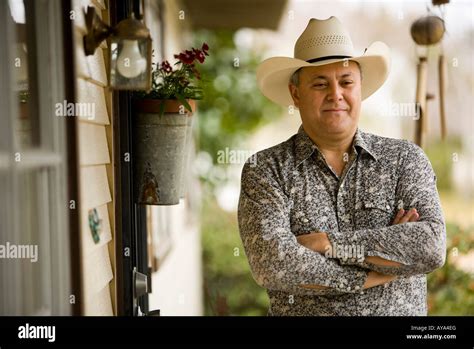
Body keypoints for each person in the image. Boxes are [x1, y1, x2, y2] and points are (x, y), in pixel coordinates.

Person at [237, 16, 446, 316]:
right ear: (296, 94)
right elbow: (274, 264)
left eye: (346, 82)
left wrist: (326, 243)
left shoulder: (405, 160)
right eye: (320, 83)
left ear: (359, 88)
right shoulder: (266, 170)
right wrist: (379, 270)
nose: (336, 94)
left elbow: (429, 247)